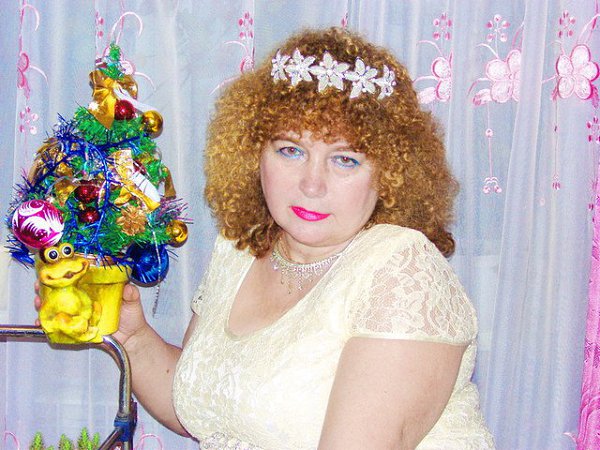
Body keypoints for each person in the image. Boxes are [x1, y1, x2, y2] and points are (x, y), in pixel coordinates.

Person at [76, 27, 495, 449]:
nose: (312, 184)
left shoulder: (401, 269)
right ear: (252, 153)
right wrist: (132, 336)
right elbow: (204, 410)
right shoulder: (239, 250)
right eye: (291, 150)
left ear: (388, 174)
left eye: (345, 159)